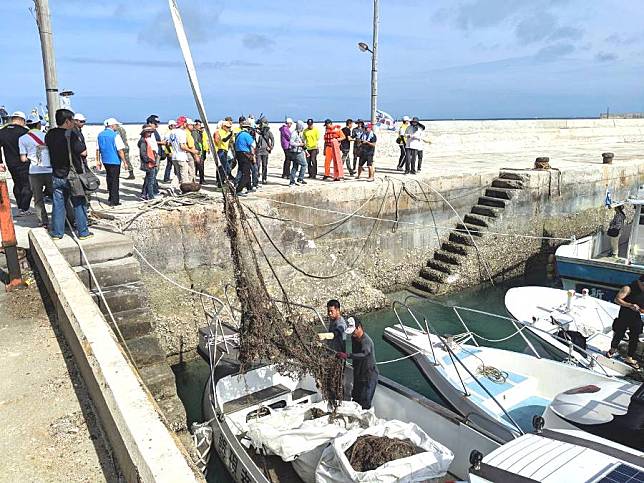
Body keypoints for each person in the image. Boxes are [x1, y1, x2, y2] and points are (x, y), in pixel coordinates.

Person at [44, 109, 92, 240]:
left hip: (56, 174)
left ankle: (57, 233)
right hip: (72, 175)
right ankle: (83, 232)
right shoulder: (70, 135)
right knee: (79, 203)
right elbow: (83, 152)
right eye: (72, 120)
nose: (73, 123)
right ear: (67, 121)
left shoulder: (50, 134)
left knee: (58, 205)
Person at [336, 318, 378, 409]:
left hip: (368, 376)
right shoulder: (354, 338)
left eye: (353, 331)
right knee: (355, 399)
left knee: (365, 402)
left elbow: (364, 354)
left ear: (359, 327)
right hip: (358, 374)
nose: (352, 334)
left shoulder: (366, 341)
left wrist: (347, 355)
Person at [19, 115, 51, 227]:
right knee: (57, 196)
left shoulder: (22, 139)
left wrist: (32, 157)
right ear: (38, 124)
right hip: (49, 170)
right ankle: (62, 219)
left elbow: (23, 159)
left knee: (38, 198)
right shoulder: (47, 136)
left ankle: (43, 221)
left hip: (34, 171)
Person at [607, 276, 644, 369]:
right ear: (640, 282)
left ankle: (629, 357)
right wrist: (630, 305)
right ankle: (612, 350)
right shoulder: (628, 288)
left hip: (636, 317)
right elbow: (617, 299)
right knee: (619, 333)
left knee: (635, 337)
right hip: (624, 315)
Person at [0, 111, 32, 216]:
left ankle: (19, 206)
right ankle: (24, 208)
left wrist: (0, 162)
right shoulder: (24, 131)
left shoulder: (2, 131)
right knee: (27, 185)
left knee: (17, 183)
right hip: (24, 162)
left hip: (10, 163)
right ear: (22, 120)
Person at [96, 118, 127, 206]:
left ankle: (110, 197)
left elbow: (97, 149)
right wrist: (125, 161)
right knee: (115, 180)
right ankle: (114, 200)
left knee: (109, 178)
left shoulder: (100, 135)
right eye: (116, 125)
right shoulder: (115, 135)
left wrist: (98, 161)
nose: (117, 126)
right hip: (114, 160)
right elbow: (120, 150)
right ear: (112, 125)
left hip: (105, 160)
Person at [168, 119, 193, 185]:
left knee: (178, 174)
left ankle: (172, 187)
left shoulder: (172, 132)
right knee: (184, 176)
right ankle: (186, 190)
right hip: (181, 156)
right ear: (183, 123)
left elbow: (168, 143)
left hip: (174, 156)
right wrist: (192, 151)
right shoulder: (181, 132)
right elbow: (182, 146)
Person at [234, 119, 256, 196]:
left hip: (238, 154)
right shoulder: (246, 135)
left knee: (243, 170)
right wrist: (253, 156)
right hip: (245, 155)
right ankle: (238, 190)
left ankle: (249, 187)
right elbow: (253, 145)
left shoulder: (238, 134)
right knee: (246, 174)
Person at [138, 125, 158, 200]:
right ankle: (151, 196)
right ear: (145, 133)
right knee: (150, 181)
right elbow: (143, 154)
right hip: (148, 163)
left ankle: (145, 194)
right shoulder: (143, 141)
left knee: (148, 180)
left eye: (150, 132)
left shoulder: (145, 140)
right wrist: (150, 160)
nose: (150, 134)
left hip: (150, 162)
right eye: (148, 132)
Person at [214, 119, 234, 187]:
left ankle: (224, 180)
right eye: (227, 127)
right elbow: (224, 140)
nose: (229, 128)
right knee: (222, 168)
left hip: (225, 151)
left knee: (225, 167)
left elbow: (230, 141)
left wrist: (231, 135)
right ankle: (220, 183)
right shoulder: (220, 131)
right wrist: (230, 135)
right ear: (223, 126)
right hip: (221, 150)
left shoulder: (226, 132)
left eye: (229, 127)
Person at [288, 120, 307, 187]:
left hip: (298, 151)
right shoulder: (294, 133)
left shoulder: (298, 133)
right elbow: (291, 142)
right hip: (296, 152)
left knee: (295, 167)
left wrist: (305, 151)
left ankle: (292, 181)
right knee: (304, 165)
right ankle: (300, 178)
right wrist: (299, 144)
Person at [255, 116, 274, 185]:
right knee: (257, 165)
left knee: (265, 165)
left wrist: (271, 147)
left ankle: (264, 178)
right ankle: (256, 178)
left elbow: (272, 140)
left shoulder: (268, 132)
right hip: (258, 151)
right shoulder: (257, 131)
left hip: (265, 151)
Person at [192, 119, 209, 184]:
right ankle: (201, 180)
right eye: (199, 125)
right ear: (195, 125)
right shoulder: (194, 132)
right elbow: (196, 142)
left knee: (200, 166)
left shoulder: (199, 132)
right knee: (200, 166)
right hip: (198, 151)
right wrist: (197, 152)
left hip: (201, 150)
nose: (200, 126)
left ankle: (201, 179)